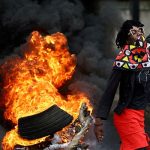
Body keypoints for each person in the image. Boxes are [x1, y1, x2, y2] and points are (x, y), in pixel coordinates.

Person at [93, 20, 150, 150]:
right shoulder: (122, 60)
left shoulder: (147, 54)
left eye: (140, 30)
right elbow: (110, 90)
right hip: (126, 116)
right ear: (127, 37)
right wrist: (98, 121)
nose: (138, 34)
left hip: (140, 116)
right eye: (134, 32)